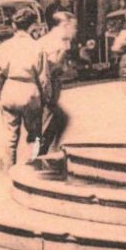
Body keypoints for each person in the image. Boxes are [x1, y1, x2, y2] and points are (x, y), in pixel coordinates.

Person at [0, 8, 44, 171]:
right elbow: (44, 78)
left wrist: (0, 92)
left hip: (10, 90)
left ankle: (8, 175)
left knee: (10, 138)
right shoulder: (37, 47)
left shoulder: (4, 47)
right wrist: (47, 98)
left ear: (15, 26)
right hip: (30, 92)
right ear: (32, 26)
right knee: (34, 137)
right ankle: (33, 171)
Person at [34, 12, 76, 161]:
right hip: (48, 87)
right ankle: (38, 156)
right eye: (73, 26)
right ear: (65, 25)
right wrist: (64, 52)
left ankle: (45, 153)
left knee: (57, 120)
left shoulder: (51, 38)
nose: (74, 30)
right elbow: (51, 67)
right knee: (54, 120)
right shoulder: (58, 41)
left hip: (49, 86)